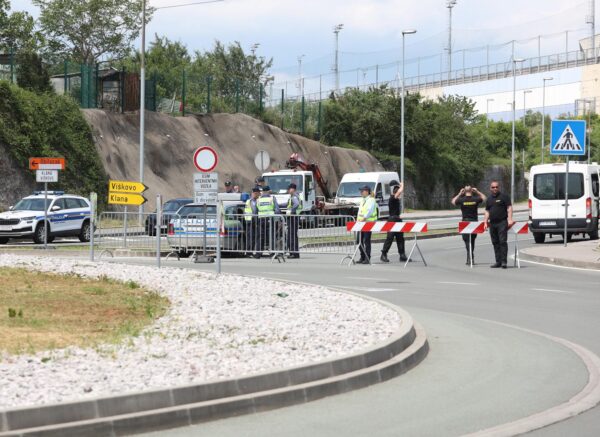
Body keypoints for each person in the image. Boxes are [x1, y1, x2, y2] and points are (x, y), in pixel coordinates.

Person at [452, 185, 487, 265]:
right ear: (471, 190)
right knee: (472, 240)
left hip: (465, 222)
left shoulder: (461, 199)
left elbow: (453, 202)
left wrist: (459, 194)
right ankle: (470, 256)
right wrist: (477, 191)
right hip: (474, 222)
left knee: (467, 241)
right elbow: (484, 198)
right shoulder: (476, 199)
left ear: (464, 190)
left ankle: (470, 256)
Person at [484, 181, 513, 269]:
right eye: (493, 187)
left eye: (496, 187)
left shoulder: (504, 197)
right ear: (490, 188)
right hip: (492, 223)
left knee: (502, 242)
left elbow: (509, 208)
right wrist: (485, 222)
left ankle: (504, 262)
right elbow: (487, 211)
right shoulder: (489, 199)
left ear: (498, 187)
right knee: (495, 242)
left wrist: (510, 219)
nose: (495, 188)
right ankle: (498, 262)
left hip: (502, 222)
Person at [380, 181, 407, 263]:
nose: (400, 195)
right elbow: (399, 192)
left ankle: (402, 255)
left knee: (400, 238)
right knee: (390, 238)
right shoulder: (392, 198)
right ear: (396, 193)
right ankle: (383, 254)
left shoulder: (396, 199)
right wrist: (402, 185)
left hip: (397, 219)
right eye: (399, 193)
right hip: (392, 220)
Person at [255, 185, 281, 257]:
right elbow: (277, 210)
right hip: (270, 219)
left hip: (261, 219)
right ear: (269, 191)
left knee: (260, 236)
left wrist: (256, 220)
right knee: (271, 236)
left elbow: (255, 211)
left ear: (262, 192)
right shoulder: (272, 198)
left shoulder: (258, 199)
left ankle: (258, 254)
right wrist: (278, 220)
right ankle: (272, 253)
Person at [356, 185, 378, 264]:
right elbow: (360, 212)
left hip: (368, 222)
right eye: (361, 191)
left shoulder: (371, 200)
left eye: (362, 191)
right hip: (361, 223)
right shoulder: (363, 200)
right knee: (358, 240)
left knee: (366, 241)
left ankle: (367, 257)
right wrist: (358, 220)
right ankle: (362, 257)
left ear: (367, 191)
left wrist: (364, 218)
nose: (361, 192)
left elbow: (369, 211)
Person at [286, 183, 303, 259]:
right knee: (293, 235)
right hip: (295, 217)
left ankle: (293, 253)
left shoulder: (294, 197)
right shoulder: (295, 196)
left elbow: (296, 204)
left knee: (291, 235)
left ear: (293, 189)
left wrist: (291, 211)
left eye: (289, 189)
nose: (288, 190)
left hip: (293, 217)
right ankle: (295, 253)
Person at [244, 187, 260, 256]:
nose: (254, 195)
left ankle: (250, 251)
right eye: (254, 193)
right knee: (250, 237)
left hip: (253, 221)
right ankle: (249, 252)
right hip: (250, 221)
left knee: (252, 237)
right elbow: (253, 211)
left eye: (256, 193)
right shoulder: (251, 201)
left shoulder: (255, 200)